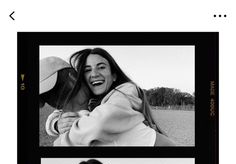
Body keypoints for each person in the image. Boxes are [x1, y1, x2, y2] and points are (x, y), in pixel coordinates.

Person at [45, 48, 175, 146]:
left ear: (114, 75)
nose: (94, 73)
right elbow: (57, 114)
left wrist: (74, 125)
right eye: (87, 70)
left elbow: (102, 120)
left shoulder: (126, 90)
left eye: (101, 67)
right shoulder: (89, 98)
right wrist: (57, 124)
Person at [39, 56, 90, 134]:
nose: (53, 101)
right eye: (46, 97)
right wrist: (57, 125)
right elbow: (52, 120)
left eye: (55, 90)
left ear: (71, 76)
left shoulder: (96, 90)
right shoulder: (66, 108)